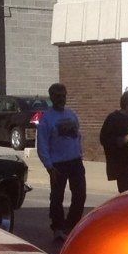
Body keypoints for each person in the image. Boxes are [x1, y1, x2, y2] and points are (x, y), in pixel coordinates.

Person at [36, 83, 85, 240]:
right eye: (57, 96)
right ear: (51, 97)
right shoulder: (47, 120)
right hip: (58, 164)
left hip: (75, 161)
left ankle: (71, 225)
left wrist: (79, 153)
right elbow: (42, 145)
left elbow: (78, 136)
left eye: (63, 95)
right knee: (57, 197)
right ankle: (57, 226)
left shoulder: (71, 114)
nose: (61, 98)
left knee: (80, 194)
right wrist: (49, 166)